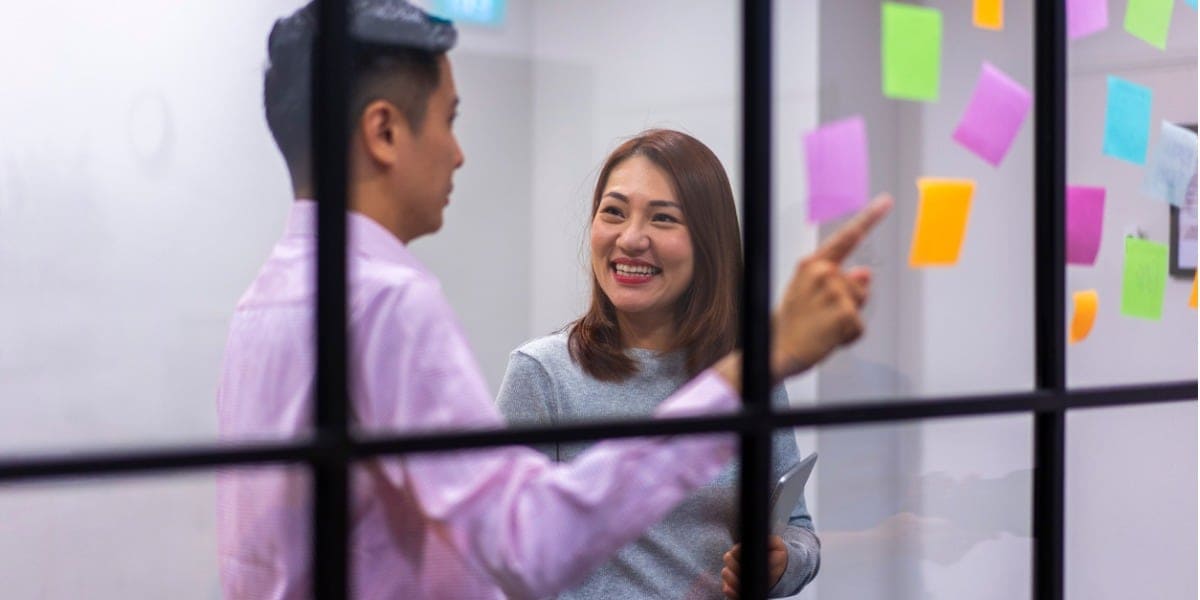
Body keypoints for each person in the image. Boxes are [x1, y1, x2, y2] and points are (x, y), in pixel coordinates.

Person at [215, 1, 892, 598]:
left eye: (663, 218)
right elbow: (529, 546)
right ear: (385, 131)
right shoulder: (391, 305)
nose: (458, 155)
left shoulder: (266, 302)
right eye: (448, 121)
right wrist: (762, 361)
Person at [496, 129, 820, 599]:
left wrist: (784, 561)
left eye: (663, 218)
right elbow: (502, 555)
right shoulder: (542, 373)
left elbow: (798, 527)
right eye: (613, 212)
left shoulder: (747, 377)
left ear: (709, 243)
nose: (630, 239)